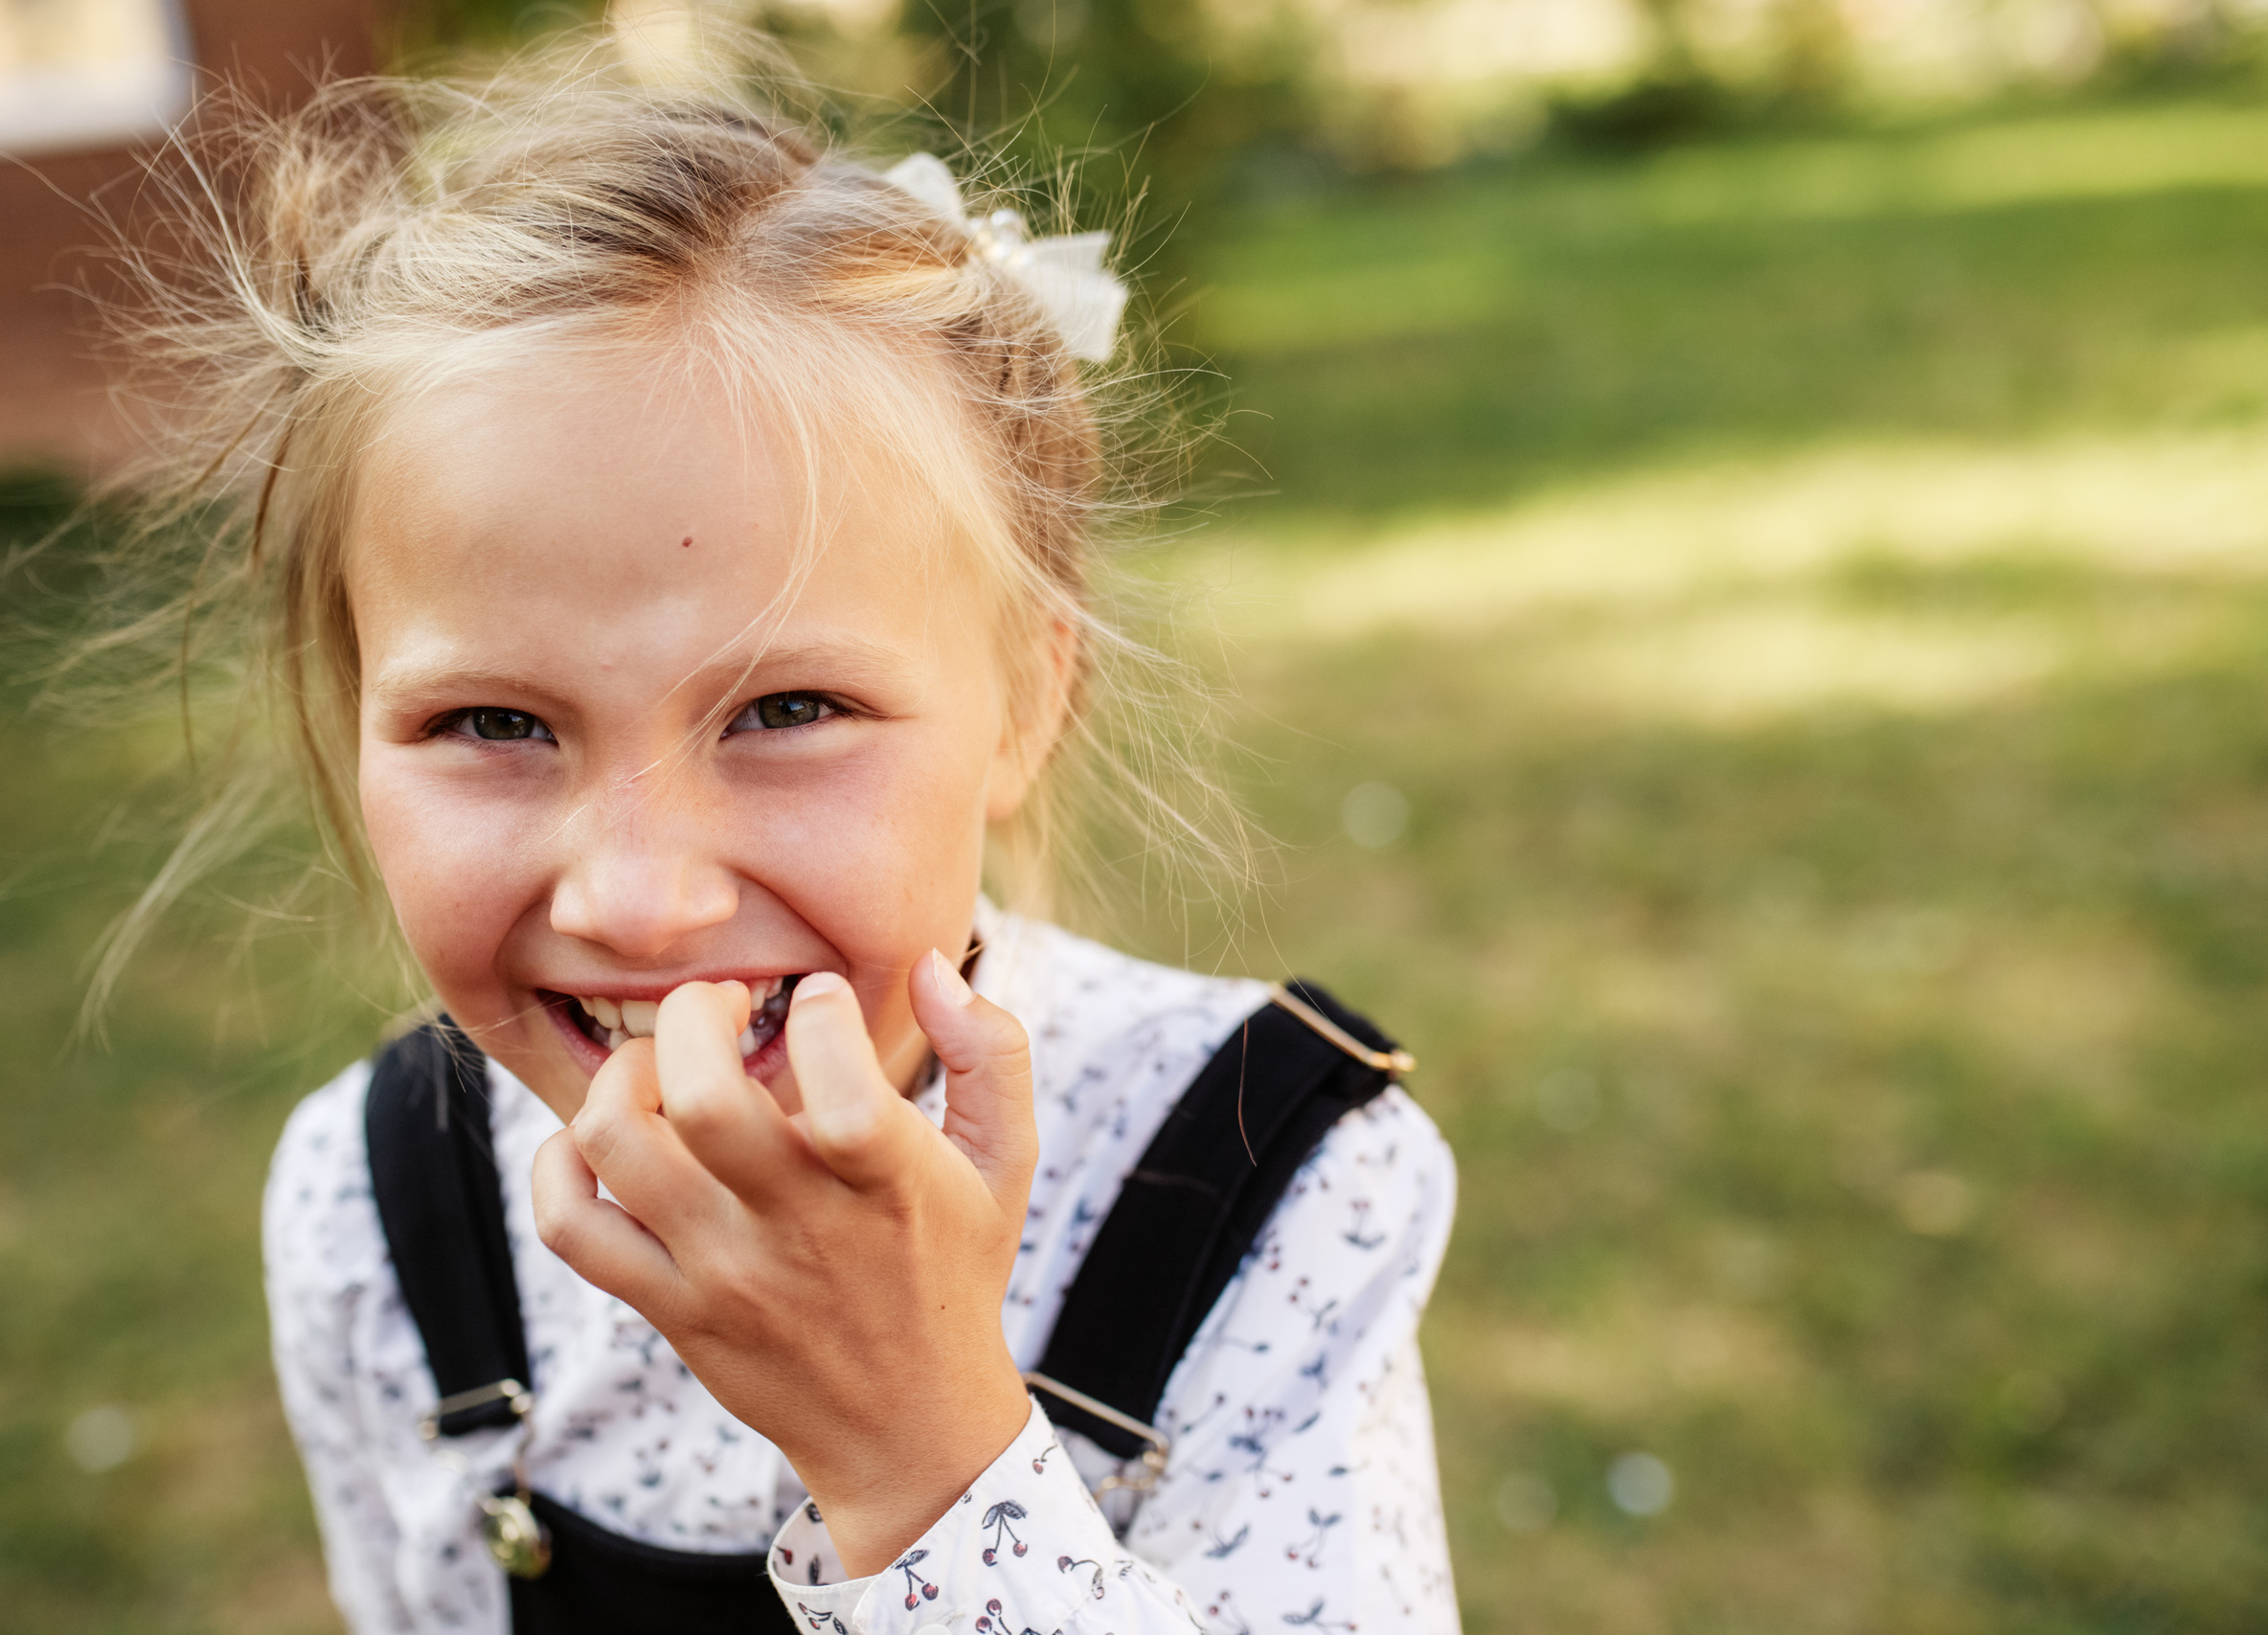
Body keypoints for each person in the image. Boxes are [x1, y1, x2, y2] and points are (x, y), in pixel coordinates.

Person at [112, 45, 1458, 1635]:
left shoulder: (1271, 1190)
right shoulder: (370, 1202)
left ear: (1026, 703)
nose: (640, 899)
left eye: (788, 709)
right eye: (493, 725)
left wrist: (925, 1459)